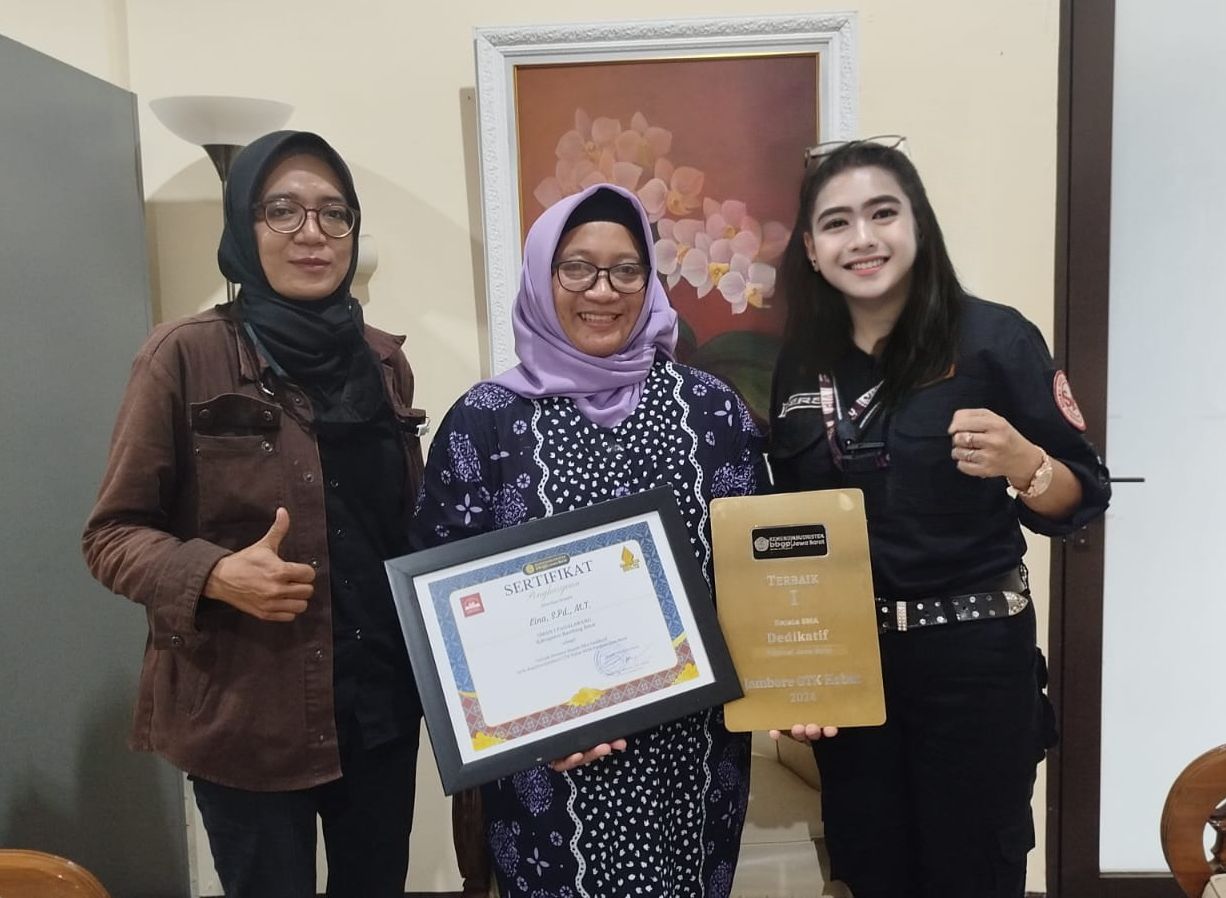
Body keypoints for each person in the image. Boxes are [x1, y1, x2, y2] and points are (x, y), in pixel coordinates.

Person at [82, 130, 427, 898]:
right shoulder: (183, 356)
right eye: (283, 210)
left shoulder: (383, 361)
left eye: (334, 213)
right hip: (249, 717)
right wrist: (212, 574)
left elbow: (399, 526)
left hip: (378, 708)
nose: (312, 233)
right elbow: (110, 534)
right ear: (244, 224)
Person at [767, 138, 1111, 898]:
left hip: (973, 661)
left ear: (918, 224)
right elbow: (789, 534)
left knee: (973, 871)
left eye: (883, 213)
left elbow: (1084, 494)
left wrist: (1027, 463)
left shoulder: (995, 339)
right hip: (851, 666)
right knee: (869, 870)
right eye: (837, 223)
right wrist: (794, 679)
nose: (862, 238)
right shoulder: (800, 361)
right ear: (812, 249)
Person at [412, 184, 764, 898]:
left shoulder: (711, 410)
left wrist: (799, 678)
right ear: (542, 278)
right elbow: (442, 613)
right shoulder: (485, 420)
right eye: (576, 267)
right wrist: (539, 726)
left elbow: (756, 570)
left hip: (690, 756)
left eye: (626, 270)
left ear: (649, 281)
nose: (602, 291)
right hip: (546, 771)